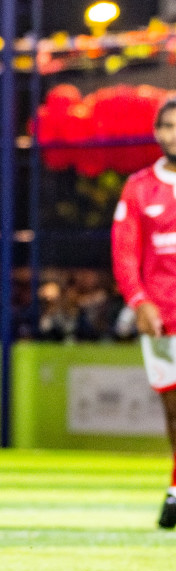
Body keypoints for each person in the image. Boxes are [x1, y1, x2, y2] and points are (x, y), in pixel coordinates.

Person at [111, 97, 176, 528]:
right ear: (158, 132)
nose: (174, 134)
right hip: (161, 316)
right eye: (168, 126)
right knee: (173, 411)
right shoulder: (138, 187)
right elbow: (124, 251)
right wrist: (139, 301)